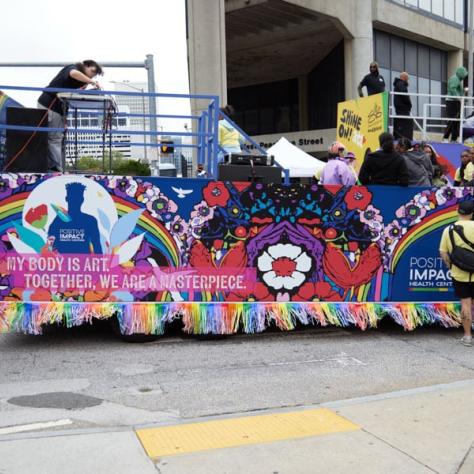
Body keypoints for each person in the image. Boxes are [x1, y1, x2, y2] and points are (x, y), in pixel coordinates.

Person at [38, 60, 103, 172]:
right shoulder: (72, 68)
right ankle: (58, 168)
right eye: (92, 71)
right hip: (50, 105)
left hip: (58, 109)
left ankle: (54, 166)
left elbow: (67, 99)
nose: (92, 75)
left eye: (95, 74)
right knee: (54, 138)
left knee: (55, 138)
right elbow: (73, 73)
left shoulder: (81, 82)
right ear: (85, 66)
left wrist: (64, 120)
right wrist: (91, 81)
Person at [439, 200, 474, 346]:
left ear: (457, 211)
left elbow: (443, 252)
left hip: (459, 273)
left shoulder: (449, 230)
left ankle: (467, 337)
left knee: (465, 304)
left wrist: (451, 266)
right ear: (472, 213)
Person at [48, 182, 102, 254]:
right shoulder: (58, 221)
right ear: (67, 199)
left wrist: (101, 264)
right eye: (73, 198)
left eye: (77, 198)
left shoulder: (90, 221)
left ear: (81, 199)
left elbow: (97, 246)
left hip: (84, 263)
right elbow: (50, 246)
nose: (75, 201)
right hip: (63, 263)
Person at [443, 66, 468, 143]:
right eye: (464, 74)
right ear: (461, 73)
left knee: (455, 120)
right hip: (452, 102)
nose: (464, 76)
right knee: (453, 120)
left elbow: (455, 90)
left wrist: (462, 94)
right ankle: (447, 137)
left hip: (454, 101)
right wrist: (459, 98)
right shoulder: (455, 78)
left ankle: (453, 138)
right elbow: (452, 88)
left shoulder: (457, 79)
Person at [393, 72, 413, 140]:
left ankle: (400, 137)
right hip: (403, 108)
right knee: (404, 124)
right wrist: (409, 104)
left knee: (401, 123)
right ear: (404, 77)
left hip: (400, 107)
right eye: (407, 78)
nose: (408, 80)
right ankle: (403, 138)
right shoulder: (401, 84)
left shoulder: (398, 84)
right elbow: (404, 95)